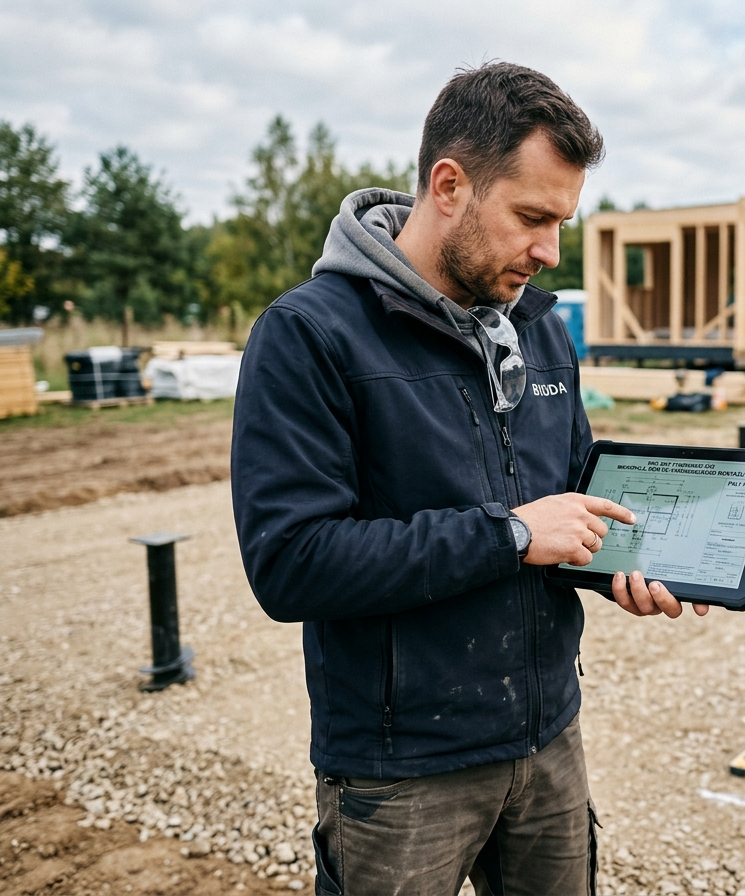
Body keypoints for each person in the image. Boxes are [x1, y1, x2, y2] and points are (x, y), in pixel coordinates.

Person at [230, 62, 706, 896]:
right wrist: (511, 535)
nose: (550, 250)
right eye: (532, 217)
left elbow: (569, 503)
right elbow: (291, 561)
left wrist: (625, 563)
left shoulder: (541, 327)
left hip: (549, 738)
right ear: (448, 184)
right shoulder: (310, 336)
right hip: (401, 770)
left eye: (562, 222)